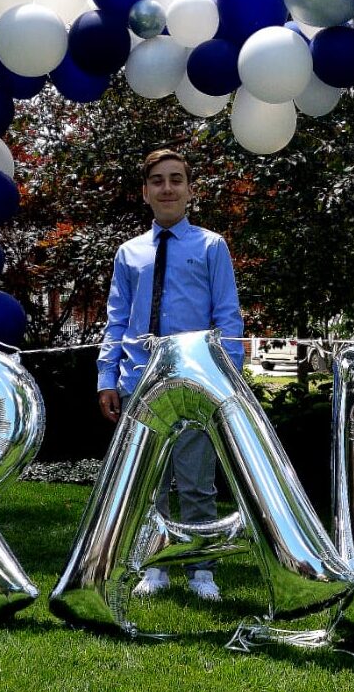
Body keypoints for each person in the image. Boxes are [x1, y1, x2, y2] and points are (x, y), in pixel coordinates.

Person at [96, 148, 245, 602]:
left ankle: (202, 570)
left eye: (176, 179)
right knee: (148, 483)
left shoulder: (210, 246)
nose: (167, 188)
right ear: (145, 192)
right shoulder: (129, 253)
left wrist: (229, 377)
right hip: (139, 380)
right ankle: (153, 566)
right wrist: (106, 376)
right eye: (158, 180)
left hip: (195, 378)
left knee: (197, 481)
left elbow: (228, 315)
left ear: (190, 190)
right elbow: (117, 317)